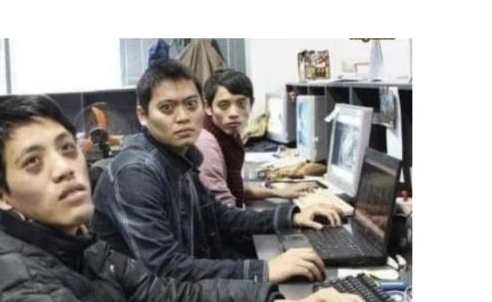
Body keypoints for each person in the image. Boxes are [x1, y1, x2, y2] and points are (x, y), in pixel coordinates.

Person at [0, 95, 401, 302]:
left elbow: (166, 297)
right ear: (0, 195)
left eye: (67, 148)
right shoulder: (14, 278)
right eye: (33, 162)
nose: (65, 168)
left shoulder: (73, 239)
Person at [92, 60, 341, 284]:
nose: (183, 117)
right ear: (143, 115)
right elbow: (167, 270)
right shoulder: (136, 174)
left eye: (191, 104)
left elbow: (219, 216)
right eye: (167, 108)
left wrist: (290, 217)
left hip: (191, 286)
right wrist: (264, 270)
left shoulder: (181, 157)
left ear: (202, 106)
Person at [195, 69, 314, 208]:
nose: (233, 113)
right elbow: (224, 212)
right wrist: (290, 216)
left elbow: (234, 190)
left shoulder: (229, 136)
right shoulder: (207, 145)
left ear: (251, 104)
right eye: (224, 105)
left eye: (241, 104)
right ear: (208, 107)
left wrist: (279, 192)